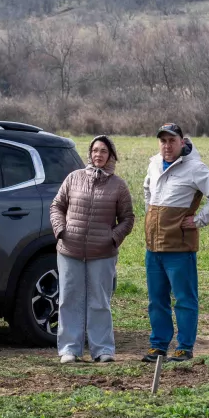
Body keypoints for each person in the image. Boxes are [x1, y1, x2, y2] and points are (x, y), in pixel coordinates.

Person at [141, 123, 209, 363]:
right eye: (163, 141)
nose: (167, 146)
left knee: (184, 299)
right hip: (154, 246)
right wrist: (150, 215)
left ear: (182, 141)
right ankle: (158, 345)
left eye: (172, 141)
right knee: (156, 299)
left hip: (179, 247)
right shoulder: (154, 163)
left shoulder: (196, 168)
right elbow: (147, 189)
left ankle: (184, 347)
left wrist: (200, 220)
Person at [49, 135, 134, 364]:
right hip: (69, 249)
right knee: (68, 299)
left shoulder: (118, 185)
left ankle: (103, 349)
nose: (98, 155)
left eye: (103, 151)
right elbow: (57, 206)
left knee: (100, 301)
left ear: (111, 156)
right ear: (90, 153)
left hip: (102, 253)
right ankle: (69, 349)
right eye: (95, 150)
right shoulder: (73, 178)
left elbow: (127, 219)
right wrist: (61, 230)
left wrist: (113, 237)